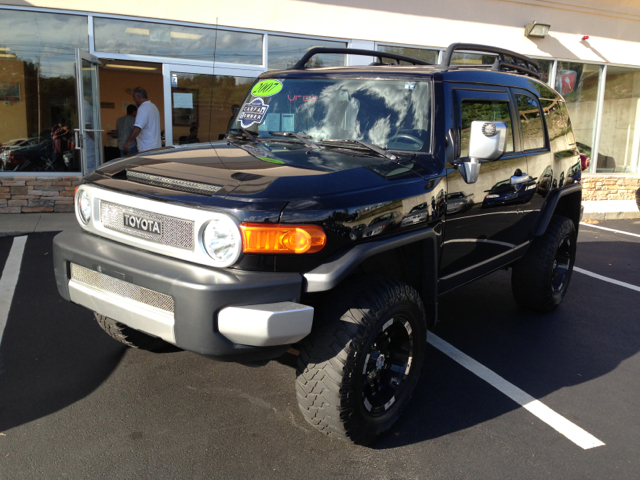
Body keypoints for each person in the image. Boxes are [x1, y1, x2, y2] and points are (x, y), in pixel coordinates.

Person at [123, 87, 161, 153]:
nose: (134, 100)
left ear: (138, 96)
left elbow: (138, 127)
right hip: (156, 146)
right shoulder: (154, 107)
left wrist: (128, 142)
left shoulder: (142, 108)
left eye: (134, 97)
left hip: (146, 148)